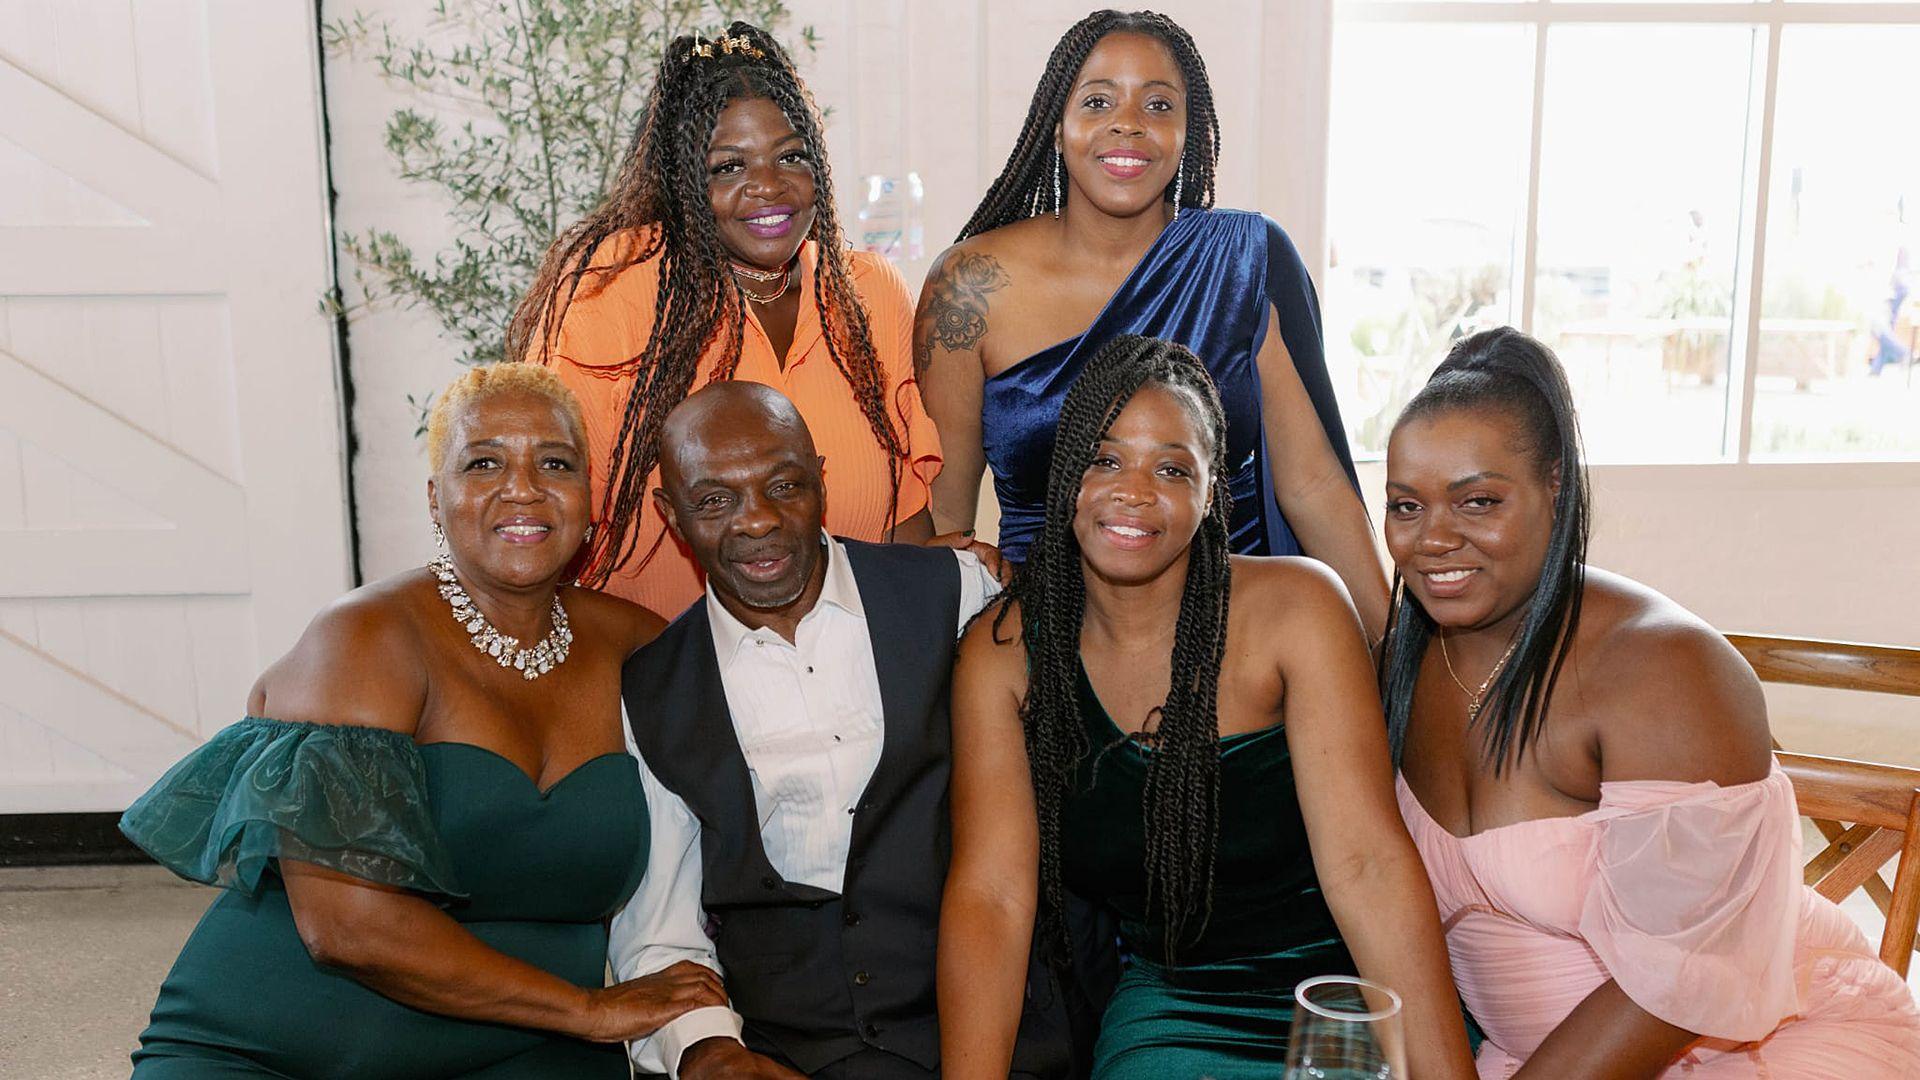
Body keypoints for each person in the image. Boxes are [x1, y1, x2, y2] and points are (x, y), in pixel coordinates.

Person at [119, 365, 722, 1078]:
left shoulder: (638, 645)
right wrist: (589, 1011)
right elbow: (346, 928)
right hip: (280, 1047)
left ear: (590, 500)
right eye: (484, 462)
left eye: (554, 463)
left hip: (528, 1053)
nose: (523, 487)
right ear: (436, 500)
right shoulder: (366, 640)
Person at [1383, 327, 1920, 1077]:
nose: (1433, 539)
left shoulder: (1663, 667)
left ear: (1556, 488)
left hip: (1748, 1048)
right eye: (1405, 506)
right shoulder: (1398, 659)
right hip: (1527, 1058)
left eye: (1477, 501)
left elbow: (1675, 988)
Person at [937, 335, 1475, 1080]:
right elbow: (992, 896)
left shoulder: (1300, 609)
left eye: (1171, 467)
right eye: (1104, 459)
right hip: (1178, 1003)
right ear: (1065, 478)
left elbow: (1368, 868)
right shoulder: (1002, 655)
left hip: (1346, 988)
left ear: (1211, 492)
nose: (1134, 491)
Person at [610, 381, 1069, 1080]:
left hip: (998, 1036)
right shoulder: (649, 694)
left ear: (822, 480)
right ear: (671, 514)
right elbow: (660, 937)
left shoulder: (955, 592)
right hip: (795, 1057)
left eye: (784, 484)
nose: (757, 521)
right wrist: (709, 1052)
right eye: (714, 500)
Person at [914, 9, 1388, 640]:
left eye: (1159, 105)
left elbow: (1313, 486)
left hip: (1235, 635)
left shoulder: (1247, 260)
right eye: (1099, 99)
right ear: (1057, 127)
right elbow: (941, 514)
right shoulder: (968, 287)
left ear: (1189, 131)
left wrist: (1395, 661)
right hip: (1048, 641)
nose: (1129, 123)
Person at [512, 22, 946, 619]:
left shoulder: (868, 291)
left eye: (790, 156)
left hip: (848, 673)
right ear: (683, 180)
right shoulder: (610, 288)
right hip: (658, 678)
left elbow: (905, 518)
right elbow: (546, 509)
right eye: (727, 167)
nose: (768, 187)